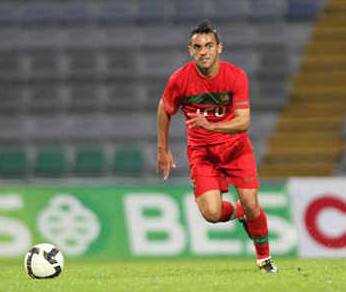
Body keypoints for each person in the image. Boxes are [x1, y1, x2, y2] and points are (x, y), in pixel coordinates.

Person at [156, 20, 278, 273]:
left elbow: (243, 122)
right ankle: (239, 213)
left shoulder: (235, 76)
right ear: (190, 50)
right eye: (198, 46)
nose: (204, 51)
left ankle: (264, 260)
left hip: (236, 150)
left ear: (219, 48)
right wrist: (163, 148)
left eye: (209, 45)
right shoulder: (180, 79)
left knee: (252, 202)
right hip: (203, 155)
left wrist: (211, 126)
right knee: (211, 214)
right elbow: (164, 108)